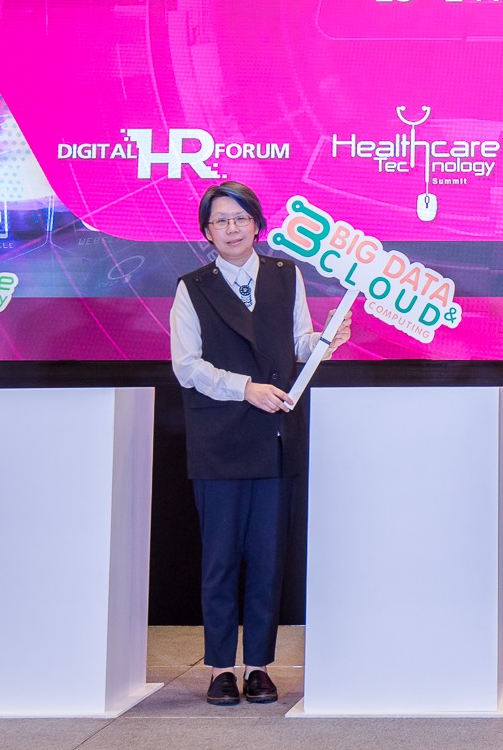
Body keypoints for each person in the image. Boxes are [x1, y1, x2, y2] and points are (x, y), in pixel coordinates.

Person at [172, 181, 349, 707]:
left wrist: (326, 341)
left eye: (240, 218)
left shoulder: (284, 274)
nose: (231, 228)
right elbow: (187, 366)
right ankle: (221, 668)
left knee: (268, 561)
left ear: (257, 224)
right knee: (220, 560)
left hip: (275, 438)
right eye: (220, 221)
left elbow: (297, 344)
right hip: (219, 439)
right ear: (207, 232)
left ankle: (259, 666)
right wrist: (244, 388)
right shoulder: (192, 287)